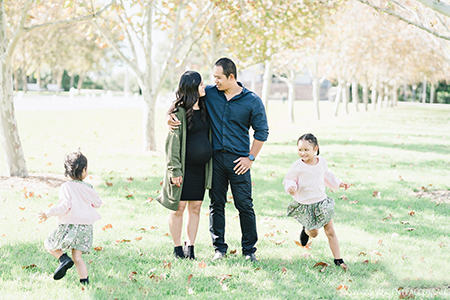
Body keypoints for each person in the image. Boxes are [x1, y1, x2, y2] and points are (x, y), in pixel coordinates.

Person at [168, 58, 269, 262]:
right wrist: (168, 115)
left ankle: (249, 250)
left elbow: (262, 131)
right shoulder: (211, 93)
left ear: (231, 77)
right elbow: (184, 100)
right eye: (214, 77)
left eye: (218, 77)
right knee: (216, 204)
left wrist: (250, 157)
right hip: (214, 160)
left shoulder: (252, 100)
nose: (214, 81)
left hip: (239, 161)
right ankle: (219, 248)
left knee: (245, 205)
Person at [157, 71, 213, 260]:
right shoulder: (178, 112)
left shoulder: (206, 105)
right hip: (183, 168)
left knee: (196, 207)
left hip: (200, 170)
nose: (204, 87)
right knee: (178, 208)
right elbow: (172, 145)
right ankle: (177, 247)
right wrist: (175, 170)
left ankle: (191, 248)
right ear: (192, 87)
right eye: (201, 84)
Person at [283, 133, 350, 270]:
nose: (303, 153)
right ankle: (306, 230)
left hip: (322, 202)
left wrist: (339, 183)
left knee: (330, 231)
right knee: (314, 233)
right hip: (306, 205)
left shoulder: (322, 162)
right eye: (300, 150)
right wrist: (290, 186)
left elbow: (327, 175)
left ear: (315, 149)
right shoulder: (297, 166)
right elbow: (289, 179)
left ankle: (338, 259)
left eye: (306, 150)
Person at [38, 151, 103, 284]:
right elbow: (98, 203)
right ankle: (84, 282)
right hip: (85, 227)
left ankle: (63, 259)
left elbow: (64, 206)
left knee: (49, 243)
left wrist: (49, 213)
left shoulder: (66, 186)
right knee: (77, 256)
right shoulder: (88, 187)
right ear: (84, 170)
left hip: (70, 225)